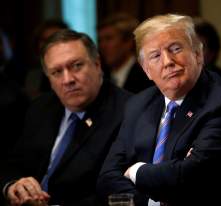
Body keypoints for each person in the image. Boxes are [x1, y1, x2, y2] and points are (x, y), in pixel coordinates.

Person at [97, 14, 221, 206]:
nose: (168, 61)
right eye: (155, 55)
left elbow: (191, 176)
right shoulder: (138, 104)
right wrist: (149, 203)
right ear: (146, 70)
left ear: (198, 54)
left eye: (175, 49)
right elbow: (108, 177)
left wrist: (136, 171)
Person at [0, 29, 131, 206]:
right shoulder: (40, 108)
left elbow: (120, 191)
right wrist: (13, 186)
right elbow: (13, 162)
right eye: (57, 72)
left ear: (97, 64)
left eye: (76, 65)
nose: (68, 79)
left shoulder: (128, 111)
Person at [98, 13, 153, 93]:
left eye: (108, 39)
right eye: (100, 40)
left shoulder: (147, 76)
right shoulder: (100, 77)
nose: (102, 45)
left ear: (128, 42)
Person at [25, 19, 69, 99]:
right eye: (44, 40)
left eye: (54, 39)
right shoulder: (32, 75)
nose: (49, 44)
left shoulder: (74, 72)